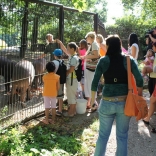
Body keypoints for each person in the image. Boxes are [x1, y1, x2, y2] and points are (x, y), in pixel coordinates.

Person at [91, 34, 143, 156]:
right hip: (125, 103)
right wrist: (139, 96)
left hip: (107, 102)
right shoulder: (128, 60)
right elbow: (140, 80)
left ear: (108, 46)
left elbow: (94, 82)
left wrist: (92, 100)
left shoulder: (103, 60)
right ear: (120, 45)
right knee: (122, 136)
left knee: (103, 136)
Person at [56, 40, 79, 116]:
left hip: (72, 80)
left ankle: (71, 113)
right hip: (72, 79)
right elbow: (65, 50)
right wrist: (60, 43)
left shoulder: (73, 58)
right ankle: (73, 111)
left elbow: (71, 69)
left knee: (71, 96)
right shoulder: (73, 56)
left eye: (68, 48)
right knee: (72, 96)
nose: (67, 50)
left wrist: (64, 74)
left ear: (72, 49)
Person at [80, 31, 99, 110]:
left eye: (87, 37)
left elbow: (96, 55)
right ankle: (92, 103)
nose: (86, 39)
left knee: (91, 85)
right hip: (89, 68)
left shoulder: (94, 44)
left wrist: (85, 57)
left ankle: (94, 104)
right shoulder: (92, 45)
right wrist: (86, 57)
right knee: (89, 84)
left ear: (91, 37)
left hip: (91, 69)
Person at [143, 42, 156, 125]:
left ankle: (147, 119)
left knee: (152, 99)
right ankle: (147, 118)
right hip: (151, 77)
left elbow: (154, 69)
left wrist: (148, 68)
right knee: (152, 99)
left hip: (154, 76)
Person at [52, 49, 66, 116]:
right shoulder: (63, 62)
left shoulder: (54, 62)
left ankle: (53, 110)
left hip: (55, 82)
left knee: (53, 96)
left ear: (55, 55)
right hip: (61, 82)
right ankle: (60, 110)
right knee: (60, 96)